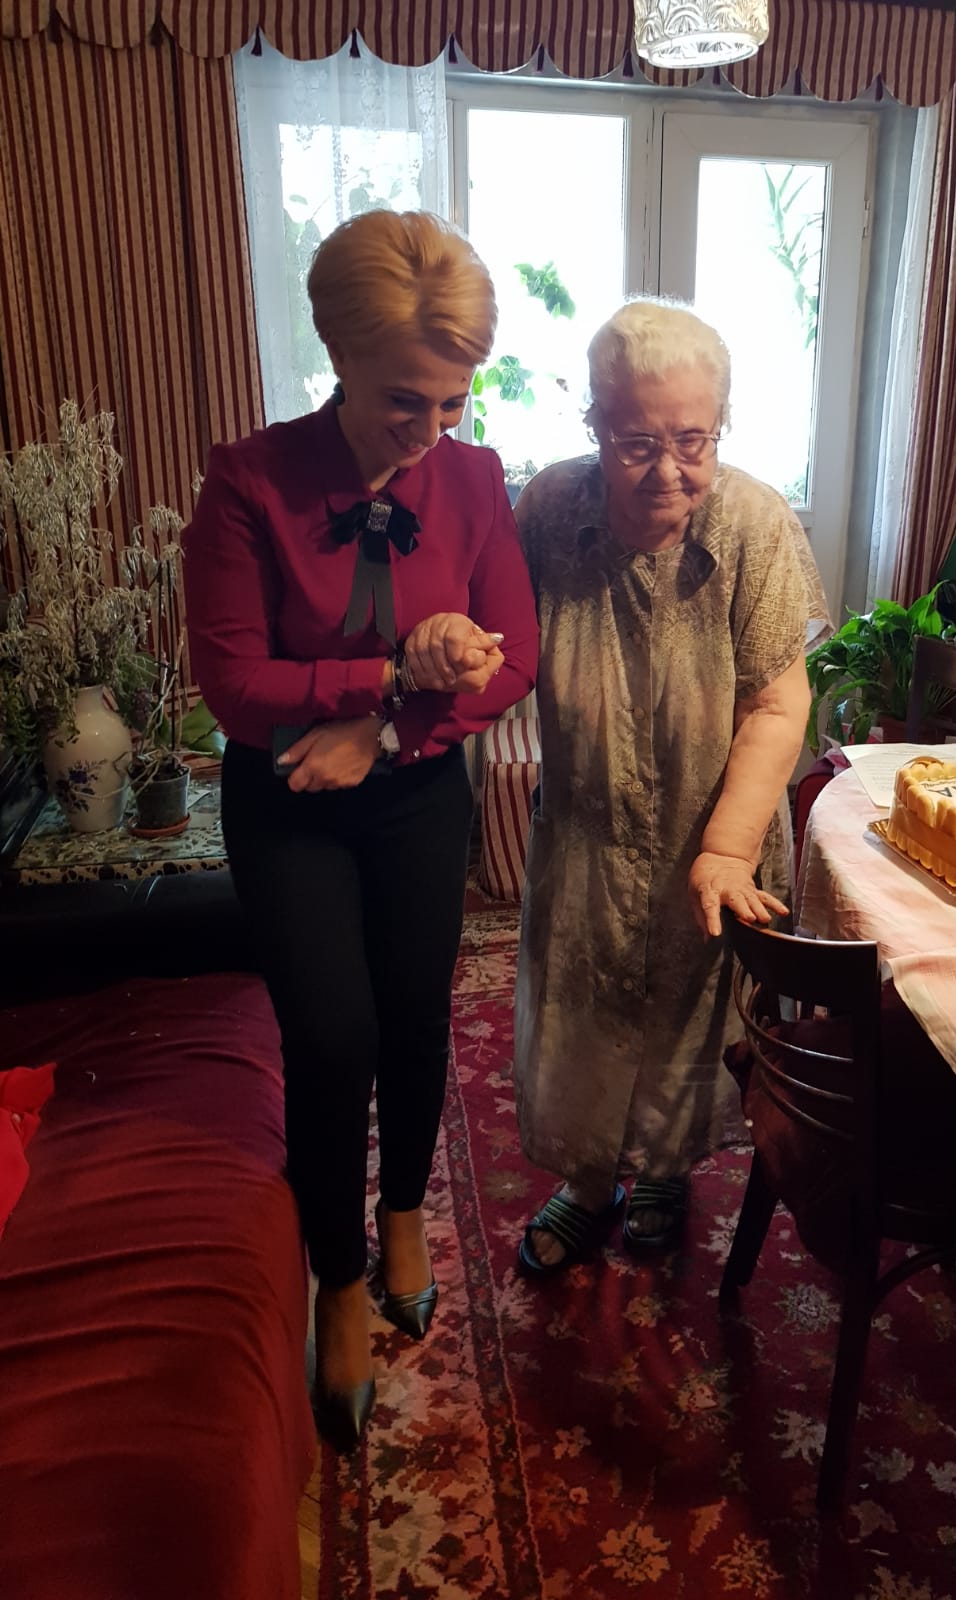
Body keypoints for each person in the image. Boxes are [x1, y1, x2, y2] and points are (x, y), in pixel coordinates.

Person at [183, 210, 537, 1450]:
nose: (430, 429)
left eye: (452, 400)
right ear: (337, 354)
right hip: (288, 799)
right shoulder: (248, 481)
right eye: (403, 400)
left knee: (414, 1015)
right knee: (332, 1037)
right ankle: (338, 1272)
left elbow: (514, 660)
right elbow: (236, 686)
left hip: (416, 786)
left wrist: (383, 733)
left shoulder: (476, 480)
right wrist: (386, 678)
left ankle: (402, 1215)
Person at [512, 300, 831, 1274]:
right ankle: (586, 1178)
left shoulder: (753, 522)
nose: (667, 471)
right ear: (594, 424)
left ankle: (662, 1169)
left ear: (720, 425)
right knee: (584, 1002)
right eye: (637, 443)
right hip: (588, 824)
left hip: (713, 824)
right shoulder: (547, 510)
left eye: (692, 441)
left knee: (690, 1003)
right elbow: (496, 648)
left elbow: (778, 701)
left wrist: (729, 846)